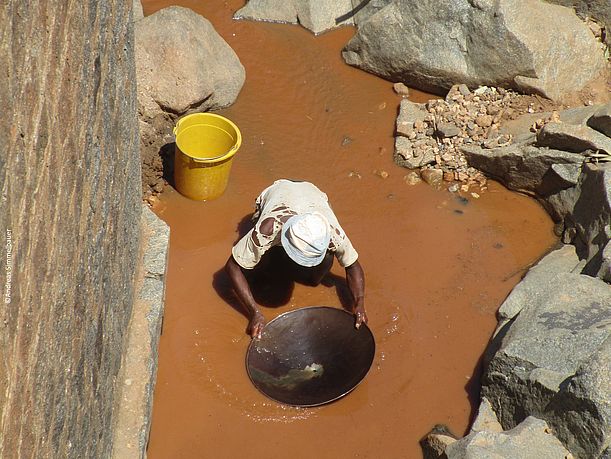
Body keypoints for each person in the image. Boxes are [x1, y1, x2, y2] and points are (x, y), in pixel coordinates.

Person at [225, 179, 367, 339]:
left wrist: (359, 303)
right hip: (278, 192)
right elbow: (233, 267)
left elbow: (352, 266)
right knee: (261, 267)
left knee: (315, 279)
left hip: (313, 193)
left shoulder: (333, 233)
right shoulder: (268, 228)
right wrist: (254, 312)